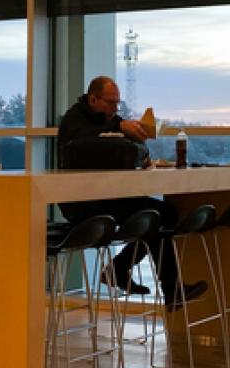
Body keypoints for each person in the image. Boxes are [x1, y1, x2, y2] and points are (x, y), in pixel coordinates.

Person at [57, 76, 207, 309]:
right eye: (110, 102)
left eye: (117, 103)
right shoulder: (74, 121)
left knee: (163, 213)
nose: (115, 108)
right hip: (83, 202)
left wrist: (136, 142)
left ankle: (125, 270)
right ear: (93, 99)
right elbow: (83, 143)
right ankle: (165, 286)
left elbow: (133, 149)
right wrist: (118, 128)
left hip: (108, 196)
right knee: (155, 216)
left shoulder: (109, 119)